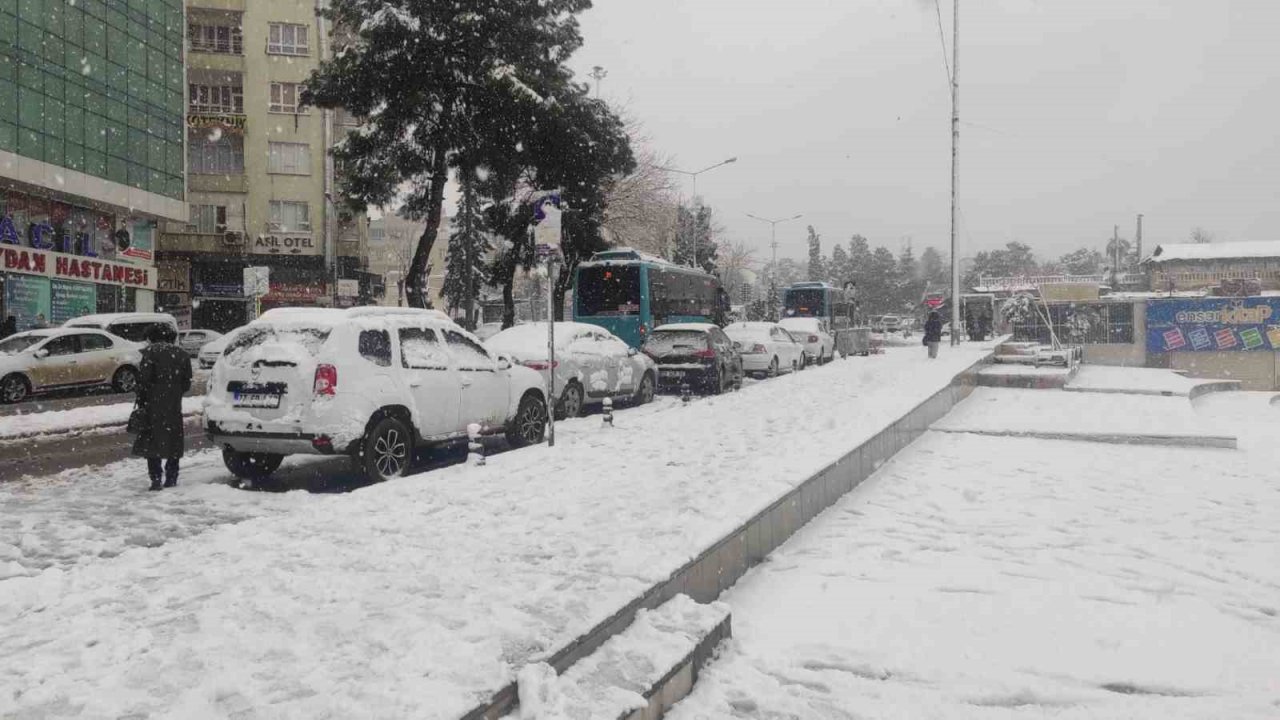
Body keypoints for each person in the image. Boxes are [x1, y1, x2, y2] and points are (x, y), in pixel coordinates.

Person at [132, 324, 192, 491]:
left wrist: (144, 398)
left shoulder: (150, 353)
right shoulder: (182, 354)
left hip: (153, 405)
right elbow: (186, 384)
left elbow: (143, 381)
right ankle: (172, 477)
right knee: (174, 442)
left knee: (152, 444)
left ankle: (156, 479)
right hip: (173, 406)